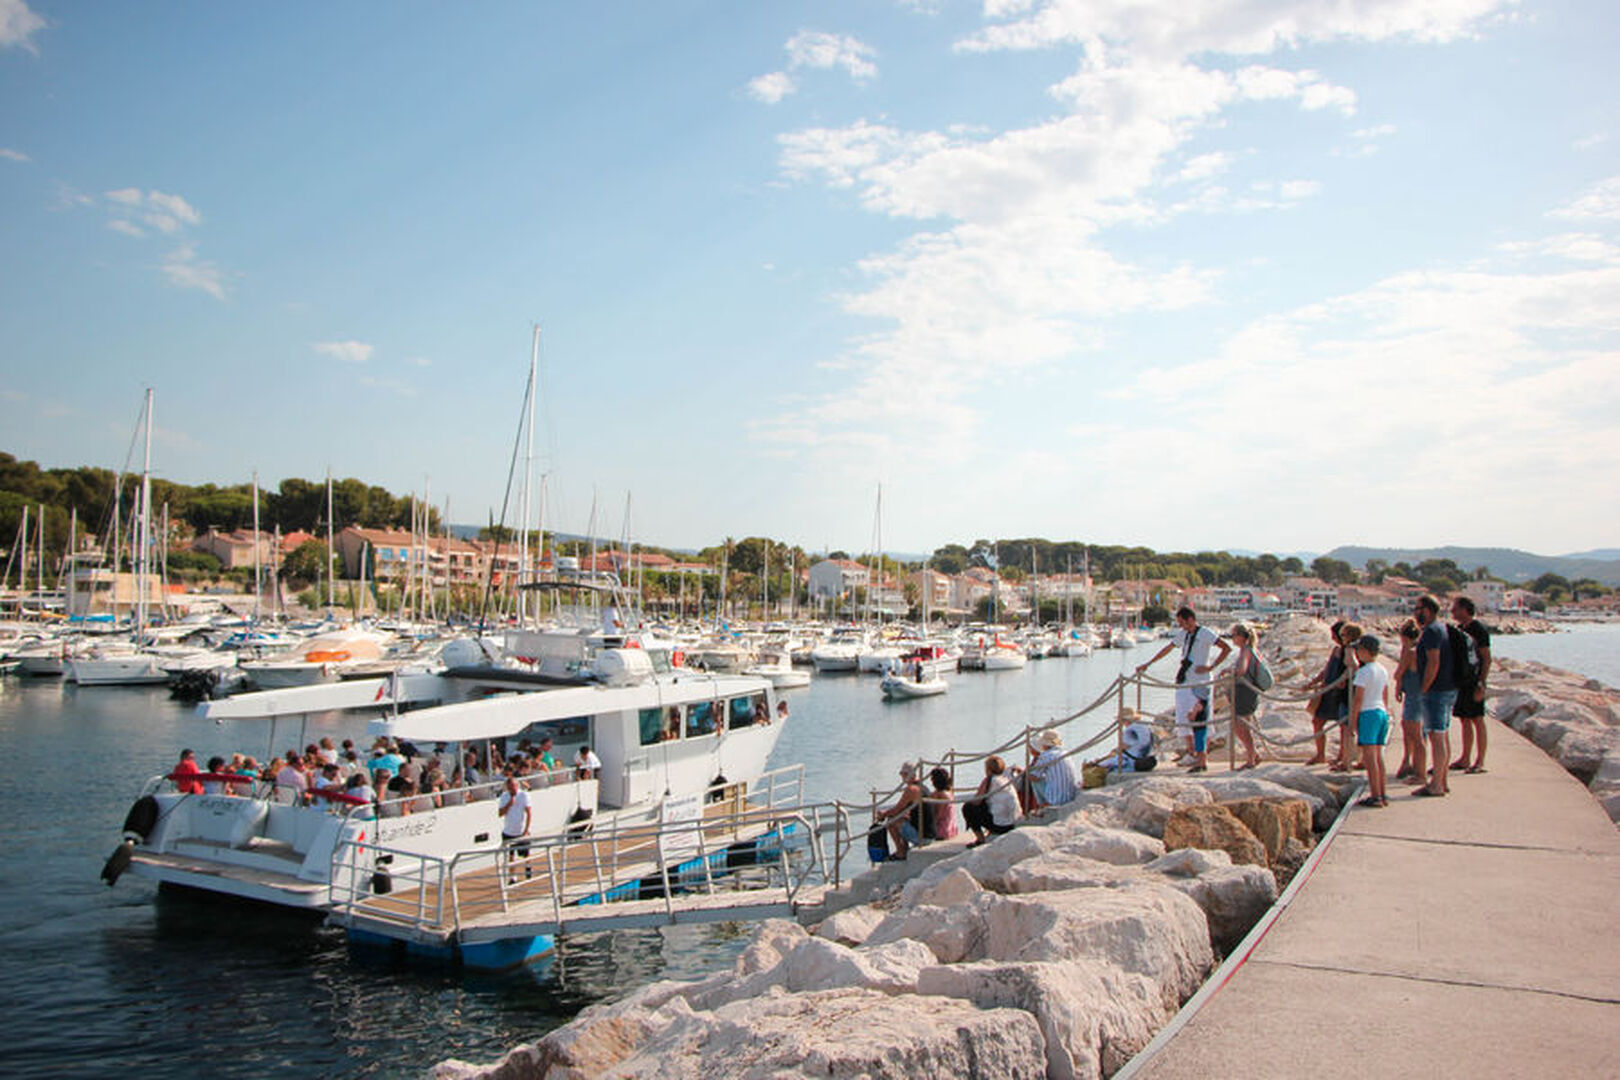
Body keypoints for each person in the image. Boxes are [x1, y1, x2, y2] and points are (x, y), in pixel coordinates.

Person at [1137, 606, 1229, 771]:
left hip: (1200, 681)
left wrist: (1211, 666)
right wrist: (1148, 664)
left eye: (1182, 622)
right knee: (1182, 717)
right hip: (1185, 680)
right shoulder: (1184, 635)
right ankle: (1192, 752)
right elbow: (1168, 649)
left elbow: (1225, 648)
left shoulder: (1205, 633)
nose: (1181, 626)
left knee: (1201, 720)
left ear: (1191, 619)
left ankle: (1202, 757)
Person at [1413, 594, 1456, 797]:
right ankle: (1442, 780)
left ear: (1428, 610)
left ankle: (1436, 785)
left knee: (1436, 737)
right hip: (1446, 688)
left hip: (1436, 691)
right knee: (1443, 735)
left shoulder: (1431, 631)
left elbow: (1433, 661)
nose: (1415, 612)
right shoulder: (1441, 629)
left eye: (1418, 608)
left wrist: (1424, 687)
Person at [1450, 596, 1492, 774]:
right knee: (1464, 719)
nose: (1452, 612)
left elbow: (1487, 658)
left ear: (1465, 610)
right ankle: (1465, 757)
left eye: (1455, 609)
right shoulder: (1460, 629)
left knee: (1477, 719)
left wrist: (1482, 683)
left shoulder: (1478, 629)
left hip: (1475, 680)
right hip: (1462, 681)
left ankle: (1480, 761)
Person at [1349, 634, 1392, 807]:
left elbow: (1358, 698)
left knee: (1369, 757)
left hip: (1368, 713)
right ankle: (1382, 792)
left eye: (1358, 650)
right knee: (1378, 755)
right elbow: (1385, 693)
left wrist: (1353, 720)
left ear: (1365, 651)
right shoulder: (1382, 669)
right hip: (1380, 711)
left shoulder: (1363, 672)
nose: (1357, 653)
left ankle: (1375, 795)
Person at [1303, 620, 1349, 767]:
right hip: (1328, 692)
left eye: (1334, 635)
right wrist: (1313, 683)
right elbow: (1327, 670)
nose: (1332, 637)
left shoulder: (1349, 651)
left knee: (1344, 726)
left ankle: (1342, 756)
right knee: (1317, 721)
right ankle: (1320, 754)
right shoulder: (1336, 650)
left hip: (1341, 693)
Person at [1392, 619, 1425, 782]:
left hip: (1414, 696)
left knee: (1413, 732)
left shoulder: (1411, 653)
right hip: (1419, 694)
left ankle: (1415, 767)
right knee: (1416, 732)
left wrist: (1397, 683)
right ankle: (1413, 764)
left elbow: (1398, 673)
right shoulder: (1420, 651)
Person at [1226, 623, 1263, 769]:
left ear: (1241, 637)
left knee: (1242, 725)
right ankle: (1253, 754)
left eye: (1234, 635)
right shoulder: (1246, 650)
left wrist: (1231, 672)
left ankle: (1251, 759)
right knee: (1238, 725)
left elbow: (1242, 670)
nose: (1232, 638)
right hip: (1243, 691)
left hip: (1245, 691)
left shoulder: (1246, 651)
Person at [878, 764, 926, 860]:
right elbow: (902, 810)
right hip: (929, 832)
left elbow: (897, 809)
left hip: (923, 837)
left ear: (906, 775)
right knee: (902, 818)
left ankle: (901, 852)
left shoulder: (911, 789)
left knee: (891, 821)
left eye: (902, 775)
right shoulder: (923, 787)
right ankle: (904, 848)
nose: (902, 778)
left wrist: (883, 815)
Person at [1027, 729, 1077, 808]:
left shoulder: (1045, 756)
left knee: (1034, 781)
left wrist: (1027, 772)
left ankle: (1042, 805)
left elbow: (1034, 777)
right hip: (1070, 796)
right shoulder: (1065, 753)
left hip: (1056, 800)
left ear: (1045, 744)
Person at [497, 775, 532, 884]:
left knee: (525, 853)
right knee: (510, 855)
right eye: (510, 787)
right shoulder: (504, 796)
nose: (513, 789)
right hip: (508, 831)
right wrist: (509, 804)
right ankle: (513, 877)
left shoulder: (524, 795)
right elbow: (500, 814)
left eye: (515, 786)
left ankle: (528, 867)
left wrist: (526, 830)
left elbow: (529, 813)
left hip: (521, 831)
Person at [927, 766, 959, 840]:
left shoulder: (940, 795)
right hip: (952, 829)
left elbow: (939, 815)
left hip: (942, 831)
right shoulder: (949, 792)